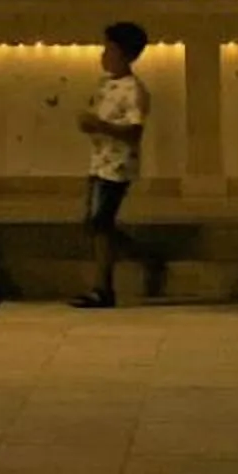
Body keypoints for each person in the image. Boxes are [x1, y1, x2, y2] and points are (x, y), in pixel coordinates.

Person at [73, 20, 151, 310]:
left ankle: (103, 288)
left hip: (116, 167)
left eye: (110, 49)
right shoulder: (105, 85)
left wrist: (101, 126)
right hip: (99, 163)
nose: (103, 55)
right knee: (95, 224)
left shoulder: (134, 90)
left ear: (125, 54)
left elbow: (134, 131)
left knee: (100, 224)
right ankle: (117, 270)